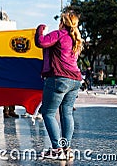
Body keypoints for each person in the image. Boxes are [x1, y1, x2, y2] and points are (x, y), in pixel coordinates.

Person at [35, 11, 83, 160]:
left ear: (62, 22)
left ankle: (56, 150)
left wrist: (40, 28)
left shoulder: (59, 34)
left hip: (59, 78)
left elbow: (41, 42)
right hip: (75, 80)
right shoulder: (76, 39)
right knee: (67, 113)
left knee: (48, 113)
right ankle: (66, 148)